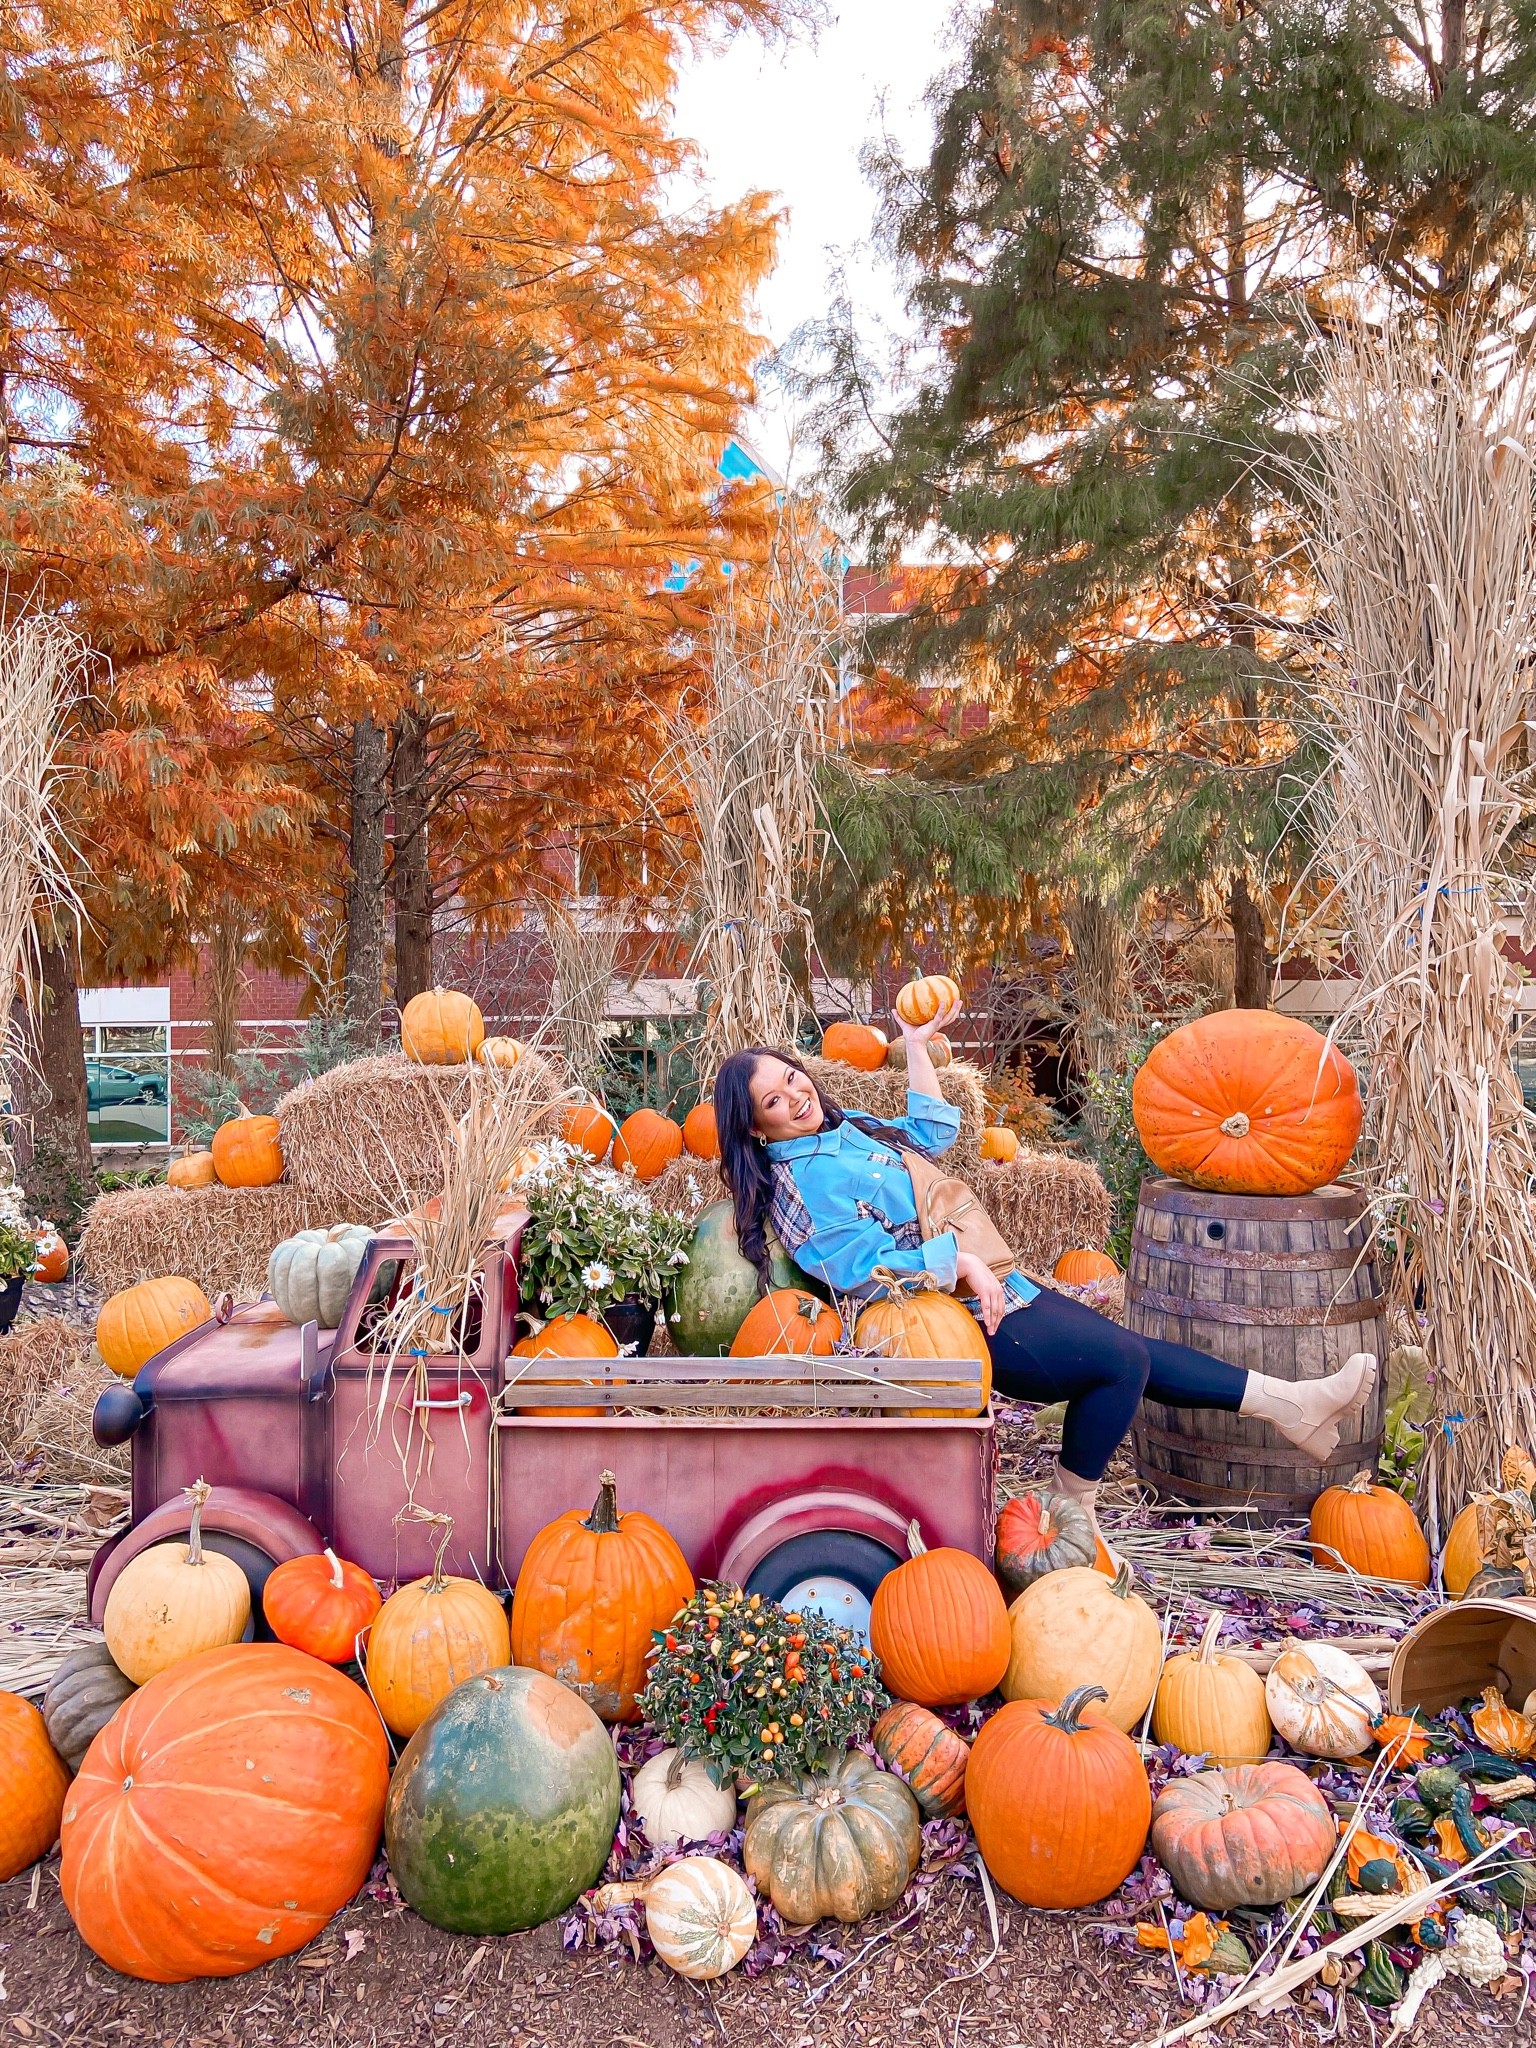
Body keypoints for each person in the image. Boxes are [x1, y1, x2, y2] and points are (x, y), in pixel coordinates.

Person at [712, 996, 1377, 1546]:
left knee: (1133, 1351)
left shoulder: (841, 1129)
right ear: (756, 1130)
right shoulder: (801, 1183)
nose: (794, 1095)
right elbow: (856, 1268)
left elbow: (933, 1134)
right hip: (939, 1322)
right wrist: (957, 1261)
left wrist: (915, 1044)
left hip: (990, 1287)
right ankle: (1068, 1513)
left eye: (791, 1078)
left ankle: (1292, 1406)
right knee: (1120, 1363)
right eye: (773, 1101)